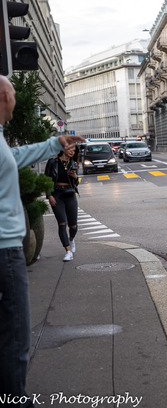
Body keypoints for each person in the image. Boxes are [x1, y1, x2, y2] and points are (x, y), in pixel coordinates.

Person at [0, 75, 85, 408]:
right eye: (13, 95)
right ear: (4, 98)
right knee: (15, 332)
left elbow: (15, 158)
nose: (16, 102)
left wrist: (54, 143)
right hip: (4, 252)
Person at [44, 145, 80, 262]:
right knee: (62, 223)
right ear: (63, 149)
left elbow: (76, 184)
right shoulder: (52, 162)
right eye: (70, 149)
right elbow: (46, 180)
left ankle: (71, 239)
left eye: (74, 150)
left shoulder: (74, 163)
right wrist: (49, 195)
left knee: (73, 226)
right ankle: (68, 251)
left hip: (70, 195)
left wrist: (75, 177)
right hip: (57, 195)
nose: (72, 152)